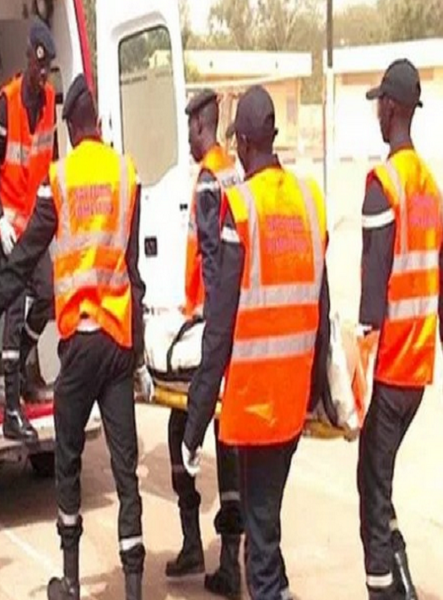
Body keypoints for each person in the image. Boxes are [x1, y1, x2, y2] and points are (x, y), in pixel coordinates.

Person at [0, 74, 152, 600]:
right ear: (96, 124)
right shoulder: (127, 175)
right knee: (126, 470)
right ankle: (135, 588)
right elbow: (134, 273)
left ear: (72, 130)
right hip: (120, 345)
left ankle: (71, 580)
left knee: (69, 460)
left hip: (79, 346)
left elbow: (26, 254)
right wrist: (140, 353)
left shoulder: (61, 178)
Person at [182, 85, 330, 600]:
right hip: (291, 404)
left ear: (242, 142)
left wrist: (196, 419)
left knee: (260, 549)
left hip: (255, 404)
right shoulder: (310, 200)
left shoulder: (239, 206)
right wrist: (320, 391)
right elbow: (322, 303)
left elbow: (218, 328)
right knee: (267, 521)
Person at [358, 58, 443, 600]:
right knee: (380, 482)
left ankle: (386, 588)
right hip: (418, 373)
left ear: (392, 108)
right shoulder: (429, 186)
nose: (377, 111)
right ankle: (401, 580)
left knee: (370, 493)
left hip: (391, 368)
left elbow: (373, 297)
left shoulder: (385, 183)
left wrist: (353, 382)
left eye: (380, 102)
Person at [165, 89, 244, 600]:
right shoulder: (234, 170)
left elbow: (213, 268)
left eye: (189, 127)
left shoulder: (210, 180)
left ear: (200, 125)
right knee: (225, 443)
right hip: (227, 327)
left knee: (189, 430)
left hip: (211, 336)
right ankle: (223, 557)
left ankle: (211, 552)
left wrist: (207, 336)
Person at [0, 17, 58, 443]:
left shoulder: (49, 100)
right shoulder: (5, 102)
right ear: (27, 58)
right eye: (37, 66)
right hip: (11, 225)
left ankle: (19, 365)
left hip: (37, 224)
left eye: (47, 70)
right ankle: (11, 409)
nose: (41, 75)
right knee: (14, 310)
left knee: (45, 297)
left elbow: (52, 158)